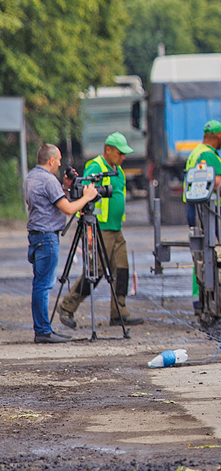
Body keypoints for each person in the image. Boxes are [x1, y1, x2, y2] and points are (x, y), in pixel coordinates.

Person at [57, 132, 144, 328]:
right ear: (108, 150)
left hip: (116, 229)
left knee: (122, 269)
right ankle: (67, 307)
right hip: (98, 228)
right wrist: (88, 231)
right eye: (120, 153)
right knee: (94, 272)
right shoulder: (96, 166)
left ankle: (119, 313)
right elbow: (83, 197)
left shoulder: (118, 170)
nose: (123, 157)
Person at [24, 144, 98, 343]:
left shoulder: (32, 176)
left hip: (36, 236)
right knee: (43, 285)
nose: (59, 163)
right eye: (58, 159)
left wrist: (64, 186)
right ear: (51, 161)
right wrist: (87, 197)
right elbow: (68, 208)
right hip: (47, 237)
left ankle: (43, 329)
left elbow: (51, 202)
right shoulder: (48, 180)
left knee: (39, 283)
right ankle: (43, 331)